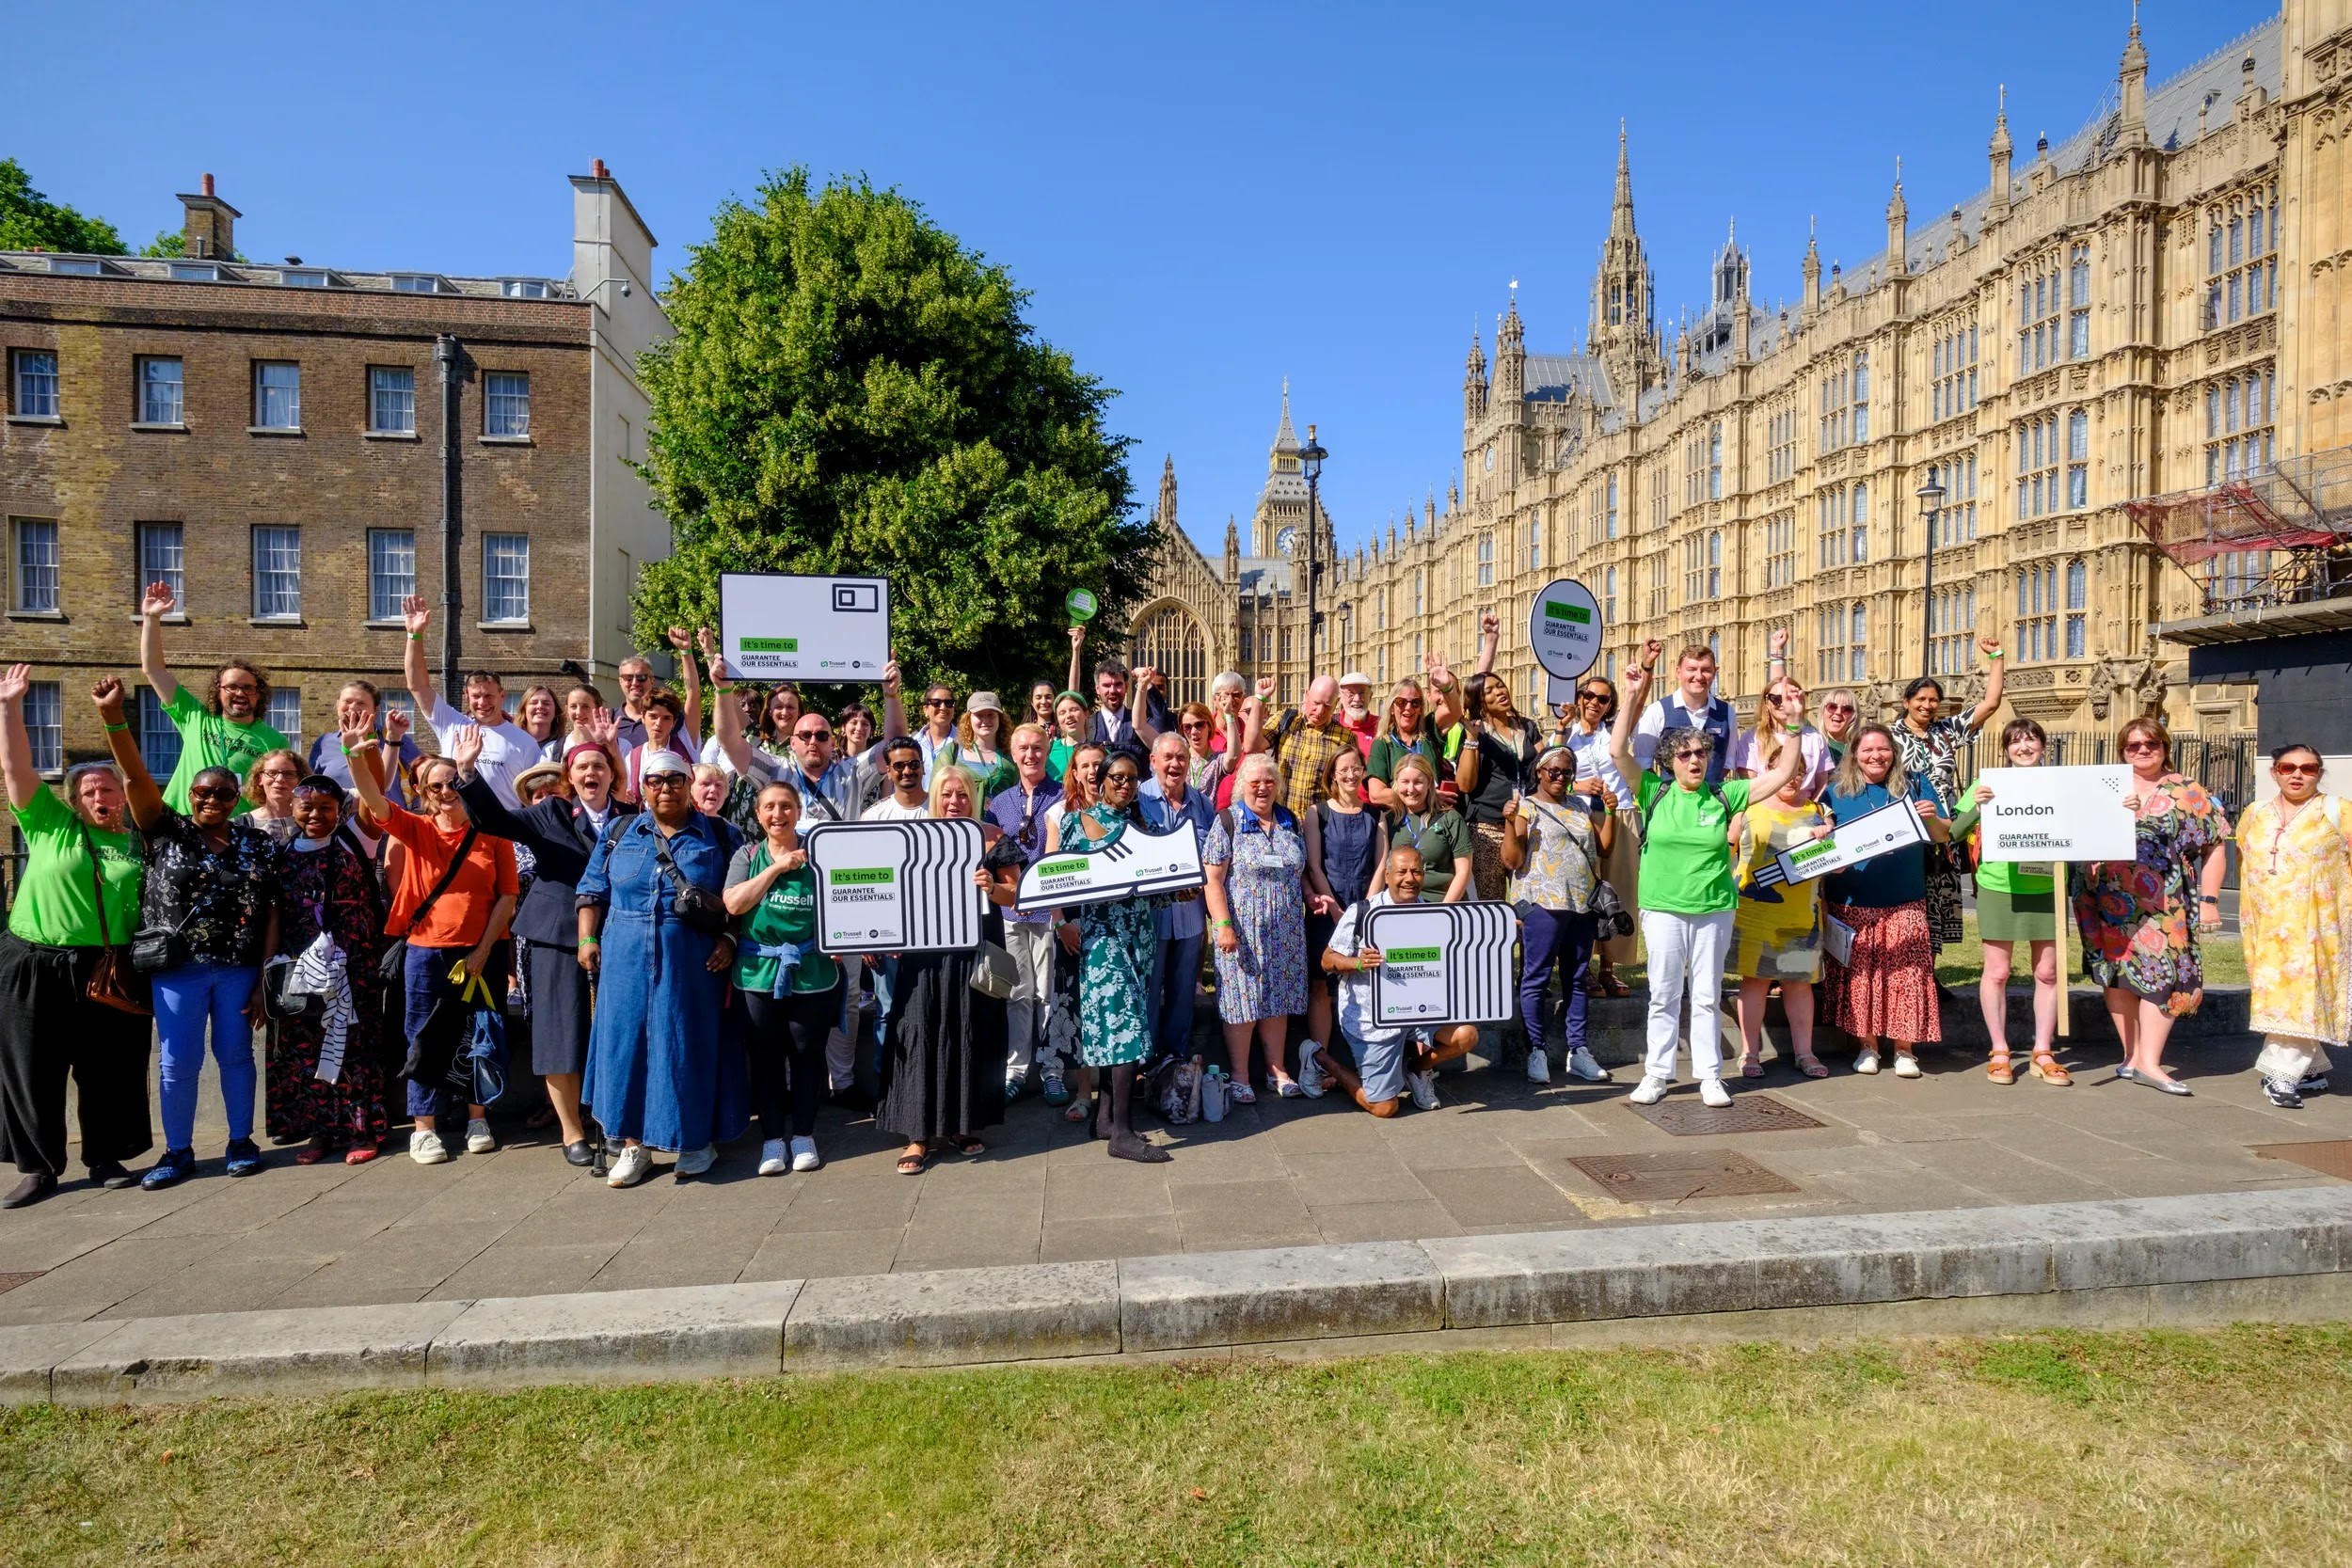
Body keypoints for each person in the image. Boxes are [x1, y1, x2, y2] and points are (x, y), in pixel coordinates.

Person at [98, 676, 280, 1188]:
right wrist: (113, 718)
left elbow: (271, 913)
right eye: (203, 792)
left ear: (236, 798)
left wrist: (265, 978)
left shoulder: (257, 844)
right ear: (191, 795)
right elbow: (136, 778)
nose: (212, 800)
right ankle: (177, 1151)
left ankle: (241, 1141)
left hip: (238, 970)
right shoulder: (167, 830)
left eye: (223, 793)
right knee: (178, 1062)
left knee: (237, 1057)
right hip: (178, 969)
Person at [1609, 661, 1804, 1106]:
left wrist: (1793, 725)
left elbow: (1781, 774)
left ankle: (1710, 1075)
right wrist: (1632, 695)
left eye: (1701, 753)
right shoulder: (1652, 792)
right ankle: (1657, 1074)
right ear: (1670, 761)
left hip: (1713, 907)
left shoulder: (1724, 794)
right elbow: (1618, 750)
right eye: (1685, 755)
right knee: (1663, 994)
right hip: (1663, 907)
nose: (1695, 760)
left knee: (1705, 994)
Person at [0, 667, 151, 1207]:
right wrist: (10, 707)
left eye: (107, 787)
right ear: (72, 799)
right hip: (35, 962)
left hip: (108, 966)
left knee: (108, 1068)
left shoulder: (139, 842)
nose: (98, 795)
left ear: (122, 795)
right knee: (32, 1067)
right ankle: (39, 1168)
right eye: (88, 790)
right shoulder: (49, 824)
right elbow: (16, 767)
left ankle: (105, 1156)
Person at [341, 719, 518, 1165]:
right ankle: (424, 1128)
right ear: (422, 792)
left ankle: (478, 1118)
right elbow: (374, 800)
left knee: (480, 1034)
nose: (445, 791)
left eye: (452, 781)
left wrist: (482, 951)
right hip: (425, 951)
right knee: (421, 1035)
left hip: (484, 950)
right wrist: (354, 755)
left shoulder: (494, 832)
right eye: (435, 786)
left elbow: (507, 896)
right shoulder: (416, 829)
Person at [453, 731, 633, 1164]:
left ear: (612, 774)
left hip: (616, 935)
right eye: (582, 767)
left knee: (615, 1035)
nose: (591, 773)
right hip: (556, 934)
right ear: (570, 776)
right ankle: (572, 1133)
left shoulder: (630, 817)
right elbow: (495, 822)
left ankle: (613, 1125)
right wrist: (467, 773)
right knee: (560, 1035)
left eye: (599, 766)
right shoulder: (552, 812)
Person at [576, 749, 745, 1187]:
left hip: (692, 959)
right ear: (642, 789)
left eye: (674, 779)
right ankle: (634, 1146)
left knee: (685, 1044)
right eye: (656, 781)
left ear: (689, 784)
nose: (665, 788)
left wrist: (730, 939)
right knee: (626, 1048)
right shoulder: (620, 831)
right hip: (624, 957)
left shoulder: (720, 834)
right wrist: (587, 938)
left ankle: (695, 1142)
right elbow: (592, 890)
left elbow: (741, 898)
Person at [878, 764, 1025, 1172]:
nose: (955, 802)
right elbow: (890, 891)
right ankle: (917, 1135)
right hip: (924, 957)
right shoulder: (913, 838)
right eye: (947, 794)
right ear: (935, 798)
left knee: (971, 1033)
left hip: (975, 955)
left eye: (962, 794)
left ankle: (964, 1126)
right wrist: (886, 935)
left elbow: (1016, 894)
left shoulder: (992, 836)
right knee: (920, 1031)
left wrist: (992, 888)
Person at [2074, 716, 2229, 1096]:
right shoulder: (2103, 786)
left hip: (2166, 903)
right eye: (2134, 745)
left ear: (2164, 748)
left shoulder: (2187, 791)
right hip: (2105, 896)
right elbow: (2071, 827)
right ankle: (2132, 1056)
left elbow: (2215, 846)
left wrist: (2209, 900)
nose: (2143, 750)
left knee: (2167, 972)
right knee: (2117, 973)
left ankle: (2150, 1062)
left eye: (2151, 744)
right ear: (2122, 751)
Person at [1050, 752, 1173, 1162]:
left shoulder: (1143, 824)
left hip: (1139, 937)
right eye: (1117, 777)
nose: (1125, 785)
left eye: (1132, 779)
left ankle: (1104, 1119)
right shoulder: (1077, 822)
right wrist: (1062, 922)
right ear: (1101, 780)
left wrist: (1178, 890)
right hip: (1102, 939)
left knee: (1121, 1025)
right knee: (1124, 1028)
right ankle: (1122, 1132)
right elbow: (1061, 880)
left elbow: (1156, 885)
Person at [264, 772, 393, 1164]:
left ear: (340, 811)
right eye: (307, 807)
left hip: (352, 963)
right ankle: (320, 1131)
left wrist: (361, 755)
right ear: (293, 808)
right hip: (300, 966)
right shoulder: (282, 850)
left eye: (326, 808)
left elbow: (375, 792)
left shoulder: (355, 840)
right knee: (306, 1048)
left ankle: (363, 1130)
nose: (316, 815)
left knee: (354, 1046)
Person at [1819, 724, 1951, 1079]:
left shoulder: (1916, 784)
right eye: (1867, 750)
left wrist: (1932, 818)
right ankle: (1868, 1047)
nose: (1876, 756)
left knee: (1907, 976)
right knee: (1862, 979)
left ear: (1894, 752)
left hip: (1905, 897)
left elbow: (1943, 835)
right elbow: (1823, 845)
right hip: (1853, 899)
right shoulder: (1835, 792)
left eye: (1883, 749)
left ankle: (1905, 1050)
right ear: (1854, 755)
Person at [1312, 845, 1480, 1115]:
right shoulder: (1363, 912)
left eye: (1416, 872)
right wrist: (1357, 962)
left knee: (1466, 1036)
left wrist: (1500, 927)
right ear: (1387, 875)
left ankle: (1417, 1070)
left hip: (1419, 1012)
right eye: (1402, 872)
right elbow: (1326, 960)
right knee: (1385, 1108)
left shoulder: (1433, 914)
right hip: (1372, 1019)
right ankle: (1323, 1059)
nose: (1409, 878)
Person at [723, 780, 836, 1175]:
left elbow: (843, 899)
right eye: (769, 807)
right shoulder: (747, 855)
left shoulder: (820, 853)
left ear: (798, 811)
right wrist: (777, 867)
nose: (778, 814)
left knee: (807, 1055)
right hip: (757, 971)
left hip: (811, 969)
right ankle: (772, 1140)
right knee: (765, 1058)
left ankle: (804, 1135)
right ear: (758, 815)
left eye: (786, 806)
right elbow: (734, 903)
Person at [1203, 752, 1327, 1101]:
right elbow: (1212, 880)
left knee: (1278, 999)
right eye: (1255, 782)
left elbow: (1299, 871)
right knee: (1242, 1001)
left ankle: (1278, 1070)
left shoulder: (1289, 821)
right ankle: (1240, 1075)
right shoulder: (1228, 821)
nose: (1262, 788)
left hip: (1286, 931)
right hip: (1242, 930)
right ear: (1242, 785)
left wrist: (1310, 896)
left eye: (1269, 782)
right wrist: (1223, 925)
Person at [1952, 719, 2068, 1085]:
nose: (2024, 747)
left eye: (2031, 740)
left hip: (2046, 886)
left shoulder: (2061, 784)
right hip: (1998, 886)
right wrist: (1978, 807)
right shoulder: (1987, 784)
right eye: (2015, 741)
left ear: (2043, 746)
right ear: (2005, 749)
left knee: (2047, 973)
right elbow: (1955, 831)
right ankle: (1999, 1050)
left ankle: (2043, 1051)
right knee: (1997, 972)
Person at [2236, 744, 2352, 1108]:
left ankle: (2281, 1074)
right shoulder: (2255, 813)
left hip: (2317, 925)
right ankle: (2312, 1069)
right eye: (2288, 768)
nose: (2297, 774)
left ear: (2319, 773)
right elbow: (2243, 857)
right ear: (2275, 772)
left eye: (2308, 768)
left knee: (2301, 993)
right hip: (2265, 924)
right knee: (2276, 993)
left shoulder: (2337, 811)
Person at [1501, 744, 1614, 1085]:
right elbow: (1512, 860)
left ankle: (1578, 1050)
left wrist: (1610, 814)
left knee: (1576, 978)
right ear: (1539, 771)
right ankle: (1536, 1050)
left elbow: (1604, 849)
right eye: (1554, 771)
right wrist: (1509, 822)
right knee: (1536, 977)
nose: (1561, 777)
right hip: (1543, 904)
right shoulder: (1526, 807)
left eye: (1567, 772)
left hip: (1581, 903)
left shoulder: (1579, 805)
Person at [1730, 727, 1836, 1079]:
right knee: (1755, 981)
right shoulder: (1747, 808)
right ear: (1771, 772)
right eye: (1787, 771)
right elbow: (1726, 850)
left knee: (1799, 982)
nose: (1793, 778)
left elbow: (1835, 862)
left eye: (1800, 773)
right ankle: (1749, 1053)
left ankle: (1805, 1053)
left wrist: (1826, 838)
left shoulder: (1818, 810)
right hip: (1754, 911)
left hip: (1800, 914)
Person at [136, 580, 289, 813]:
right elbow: (154, 670)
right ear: (218, 692)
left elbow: (279, 792)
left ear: (259, 695)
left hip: (234, 828)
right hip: (183, 820)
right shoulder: (195, 718)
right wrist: (151, 618)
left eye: (248, 688)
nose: (240, 693)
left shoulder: (274, 741)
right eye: (232, 687)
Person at [1891, 645, 2006, 946]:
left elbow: (1991, 704)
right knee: (1908, 905)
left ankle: (1930, 967)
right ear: (1906, 701)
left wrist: (1997, 658)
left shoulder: (1946, 731)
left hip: (1943, 828)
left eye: (1933, 700)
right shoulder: (1889, 736)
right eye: (1921, 699)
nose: (1927, 705)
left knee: (1938, 908)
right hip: (1907, 830)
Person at [401, 595, 542, 810]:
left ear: (502, 696)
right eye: (476, 696)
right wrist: (414, 635)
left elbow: (533, 799)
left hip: (500, 827)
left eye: (489, 696)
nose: (482, 702)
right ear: (466, 697)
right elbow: (417, 685)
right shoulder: (451, 723)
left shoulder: (525, 743)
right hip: (454, 822)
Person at [1300, 745, 1385, 1091]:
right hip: (1327, 908)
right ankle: (1318, 1059)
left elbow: (1381, 865)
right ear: (1333, 775)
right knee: (1321, 982)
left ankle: (1365, 1059)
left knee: (1365, 978)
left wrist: (1366, 909)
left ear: (1363, 771)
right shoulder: (1317, 813)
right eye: (1343, 769)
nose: (1350, 774)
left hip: (1366, 909)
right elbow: (1314, 865)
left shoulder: (1376, 814)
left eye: (1356, 768)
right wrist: (1337, 910)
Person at [987, 723, 1064, 1103]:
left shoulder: (1063, 797)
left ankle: (1052, 1069)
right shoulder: (998, 803)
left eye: (1037, 747)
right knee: (1018, 992)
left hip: (1049, 912)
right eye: (1023, 748)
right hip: (1011, 912)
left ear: (1047, 751)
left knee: (1048, 993)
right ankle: (1016, 1070)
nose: (1031, 755)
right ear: (1013, 753)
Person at [1139, 731, 1217, 1066]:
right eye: (1168, 757)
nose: (1175, 764)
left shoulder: (1203, 804)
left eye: (1181, 758)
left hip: (1189, 913)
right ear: (1153, 760)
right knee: (1148, 988)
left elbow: (1213, 855)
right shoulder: (1137, 799)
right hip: (1150, 914)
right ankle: (1144, 1062)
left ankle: (1174, 1059)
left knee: (1183, 990)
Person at [1561, 674, 1637, 996]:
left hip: (1620, 813)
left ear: (1610, 706)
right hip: (1581, 815)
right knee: (1585, 893)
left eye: (1603, 699)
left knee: (1619, 891)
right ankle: (1585, 968)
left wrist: (1642, 675)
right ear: (1579, 698)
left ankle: (1609, 968)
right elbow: (1546, 773)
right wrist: (1577, 785)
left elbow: (1637, 703)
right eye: (1589, 696)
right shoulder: (1566, 734)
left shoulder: (1616, 735)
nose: (1594, 703)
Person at [1454, 671, 1541, 903]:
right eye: (1489, 691)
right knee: (1491, 901)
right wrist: (1472, 739)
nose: (1499, 692)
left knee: (1529, 898)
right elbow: (1465, 785)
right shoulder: (1477, 732)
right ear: (1478, 701)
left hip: (1526, 823)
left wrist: (1561, 729)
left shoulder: (1527, 727)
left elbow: (1545, 765)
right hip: (1488, 826)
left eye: (1500, 685)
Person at [1729, 631, 1834, 798]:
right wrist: (1776, 652)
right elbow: (1750, 785)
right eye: (1776, 699)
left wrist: (1811, 808)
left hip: (1806, 807)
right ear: (1767, 703)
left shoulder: (1814, 738)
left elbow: (1822, 784)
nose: (1783, 703)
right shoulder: (1751, 739)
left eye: (1789, 698)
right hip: (1765, 808)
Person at [307, 680, 423, 815]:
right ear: (338, 704)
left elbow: (418, 780)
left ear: (375, 709)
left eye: (361, 703)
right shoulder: (324, 743)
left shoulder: (397, 738)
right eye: (347, 701)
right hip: (337, 823)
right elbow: (312, 788)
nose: (353, 707)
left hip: (383, 822)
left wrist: (393, 738)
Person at [1629, 640, 1737, 785]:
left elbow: (1728, 763)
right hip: (1670, 798)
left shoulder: (1727, 713)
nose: (1699, 676)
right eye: (1691, 669)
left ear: (1714, 673)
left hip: (1712, 798)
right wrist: (1664, 794)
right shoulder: (1657, 711)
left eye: (1706, 670)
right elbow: (1642, 762)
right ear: (1678, 672)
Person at [1383, 754, 1473, 902]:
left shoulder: (1450, 818)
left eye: (1418, 782)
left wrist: (1443, 909)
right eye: (1405, 782)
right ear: (1396, 783)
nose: (1411, 789)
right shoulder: (1388, 821)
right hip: (1401, 906)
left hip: (1442, 903)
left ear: (1429, 783)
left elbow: (1463, 870)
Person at [1266, 675, 1358, 821]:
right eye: (1316, 703)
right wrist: (1259, 699)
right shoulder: (1285, 720)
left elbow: (1349, 786)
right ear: (1306, 694)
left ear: (1336, 703)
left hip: (1322, 823)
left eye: (1327, 706)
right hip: (1281, 820)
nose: (1320, 711)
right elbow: (1252, 745)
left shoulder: (1346, 738)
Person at [1365, 677, 1444, 811]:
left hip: (1435, 816)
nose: (1408, 708)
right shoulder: (1382, 744)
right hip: (1402, 819)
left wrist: (1446, 684)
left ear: (1421, 708)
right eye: (1401, 702)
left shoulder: (1429, 733)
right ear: (1392, 708)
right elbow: (1377, 795)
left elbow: (1451, 710)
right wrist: (1427, 795)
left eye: (1415, 703)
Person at [938, 692, 1016, 799]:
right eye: (979, 715)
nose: (986, 721)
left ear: (1000, 718)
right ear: (968, 719)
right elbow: (937, 794)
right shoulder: (952, 752)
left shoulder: (1012, 754)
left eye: (991, 715)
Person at [241, 749, 304, 843]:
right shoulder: (241, 824)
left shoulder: (311, 822)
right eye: (272, 773)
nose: (280, 779)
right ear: (259, 779)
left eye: (289, 774)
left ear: (300, 779)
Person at [913, 682, 961, 781]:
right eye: (936, 702)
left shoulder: (965, 743)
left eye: (949, 703)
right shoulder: (913, 743)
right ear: (925, 709)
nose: (943, 707)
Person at [1047, 690, 1089, 781]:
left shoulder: (1100, 751)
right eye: (1062, 713)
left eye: (1074, 710)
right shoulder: (1048, 751)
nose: (1068, 715)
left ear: (1086, 714)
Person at [516, 684, 564, 764]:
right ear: (524, 710)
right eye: (534, 703)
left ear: (556, 711)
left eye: (546, 703)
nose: (540, 706)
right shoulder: (512, 743)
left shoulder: (564, 746)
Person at [1335, 671, 1379, 757]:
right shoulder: (1332, 725)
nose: (1357, 699)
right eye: (1350, 694)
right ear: (1340, 697)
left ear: (1370, 696)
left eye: (1362, 693)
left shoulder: (1382, 726)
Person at [1819, 689, 1862, 761]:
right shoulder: (1811, 743)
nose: (1838, 712)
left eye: (1847, 709)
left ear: (1854, 717)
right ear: (1823, 712)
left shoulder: (1860, 749)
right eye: (1832, 707)